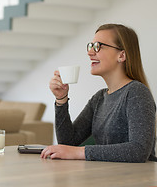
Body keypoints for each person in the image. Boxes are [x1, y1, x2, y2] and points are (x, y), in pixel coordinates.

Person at [41, 24, 156, 162]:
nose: (90, 52)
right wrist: (61, 99)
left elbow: (139, 150)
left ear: (121, 55)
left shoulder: (137, 93)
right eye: (91, 46)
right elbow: (68, 143)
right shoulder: (99, 98)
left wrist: (80, 152)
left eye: (98, 46)